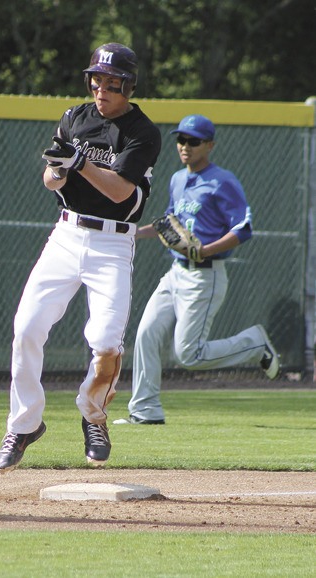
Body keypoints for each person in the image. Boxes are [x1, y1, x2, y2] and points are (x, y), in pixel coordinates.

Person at [0, 43, 162, 473]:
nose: (101, 90)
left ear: (128, 86)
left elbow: (122, 191)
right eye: (96, 81)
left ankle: (93, 415)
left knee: (106, 343)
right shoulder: (74, 118)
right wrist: (59, 169)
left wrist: (81, 162)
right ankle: (25, 423)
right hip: (66, 234)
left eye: (111, 83)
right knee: (27, 327)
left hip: (113, 245)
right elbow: (50, 180)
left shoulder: (142, 131)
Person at [113, 114, 281, 426]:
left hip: (206, 274)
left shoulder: (223, 181)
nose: (185, 146)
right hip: (176, 272)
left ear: (210, 145)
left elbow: (243, 229)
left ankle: (254, 344)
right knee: (146, 334)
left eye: (193, 141)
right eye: (181, 140)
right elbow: (168, 225)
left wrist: (205, 249)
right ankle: (145, 411)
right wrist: (132, 231)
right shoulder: (178, 179)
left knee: (189, 355)